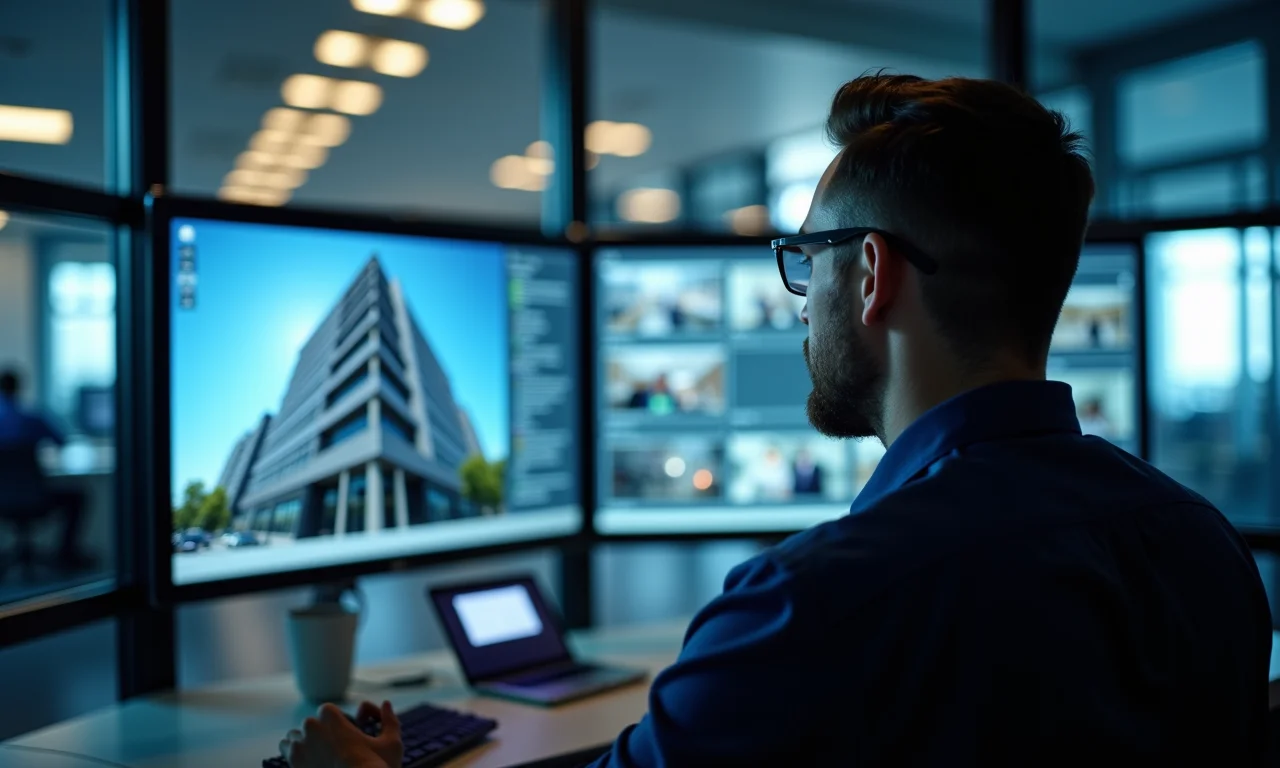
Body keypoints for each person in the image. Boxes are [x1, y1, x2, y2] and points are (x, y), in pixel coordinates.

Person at [278, 74, 1272, 766]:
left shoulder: (815, 606)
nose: (798, 302)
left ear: (870, 274)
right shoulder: (1202, 546)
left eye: (808, 258)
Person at [0, 369, 92, 570]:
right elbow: (61, 441)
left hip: (2, 499)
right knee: (77, 498)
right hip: (34, 497)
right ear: (18, 388)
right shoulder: (31, 418)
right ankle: (66, 555)